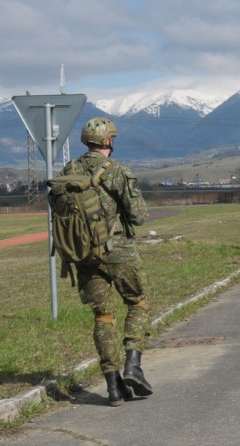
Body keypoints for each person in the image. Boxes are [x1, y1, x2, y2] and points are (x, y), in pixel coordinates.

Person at [57, 117, 152, 406]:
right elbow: (138, 215)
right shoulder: (117, 170)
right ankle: (133, 365)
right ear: (109, 140)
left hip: (85, 254)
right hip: (119, 251)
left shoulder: (68, 171)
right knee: (138, 303)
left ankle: (113, 385)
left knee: (103, 316)